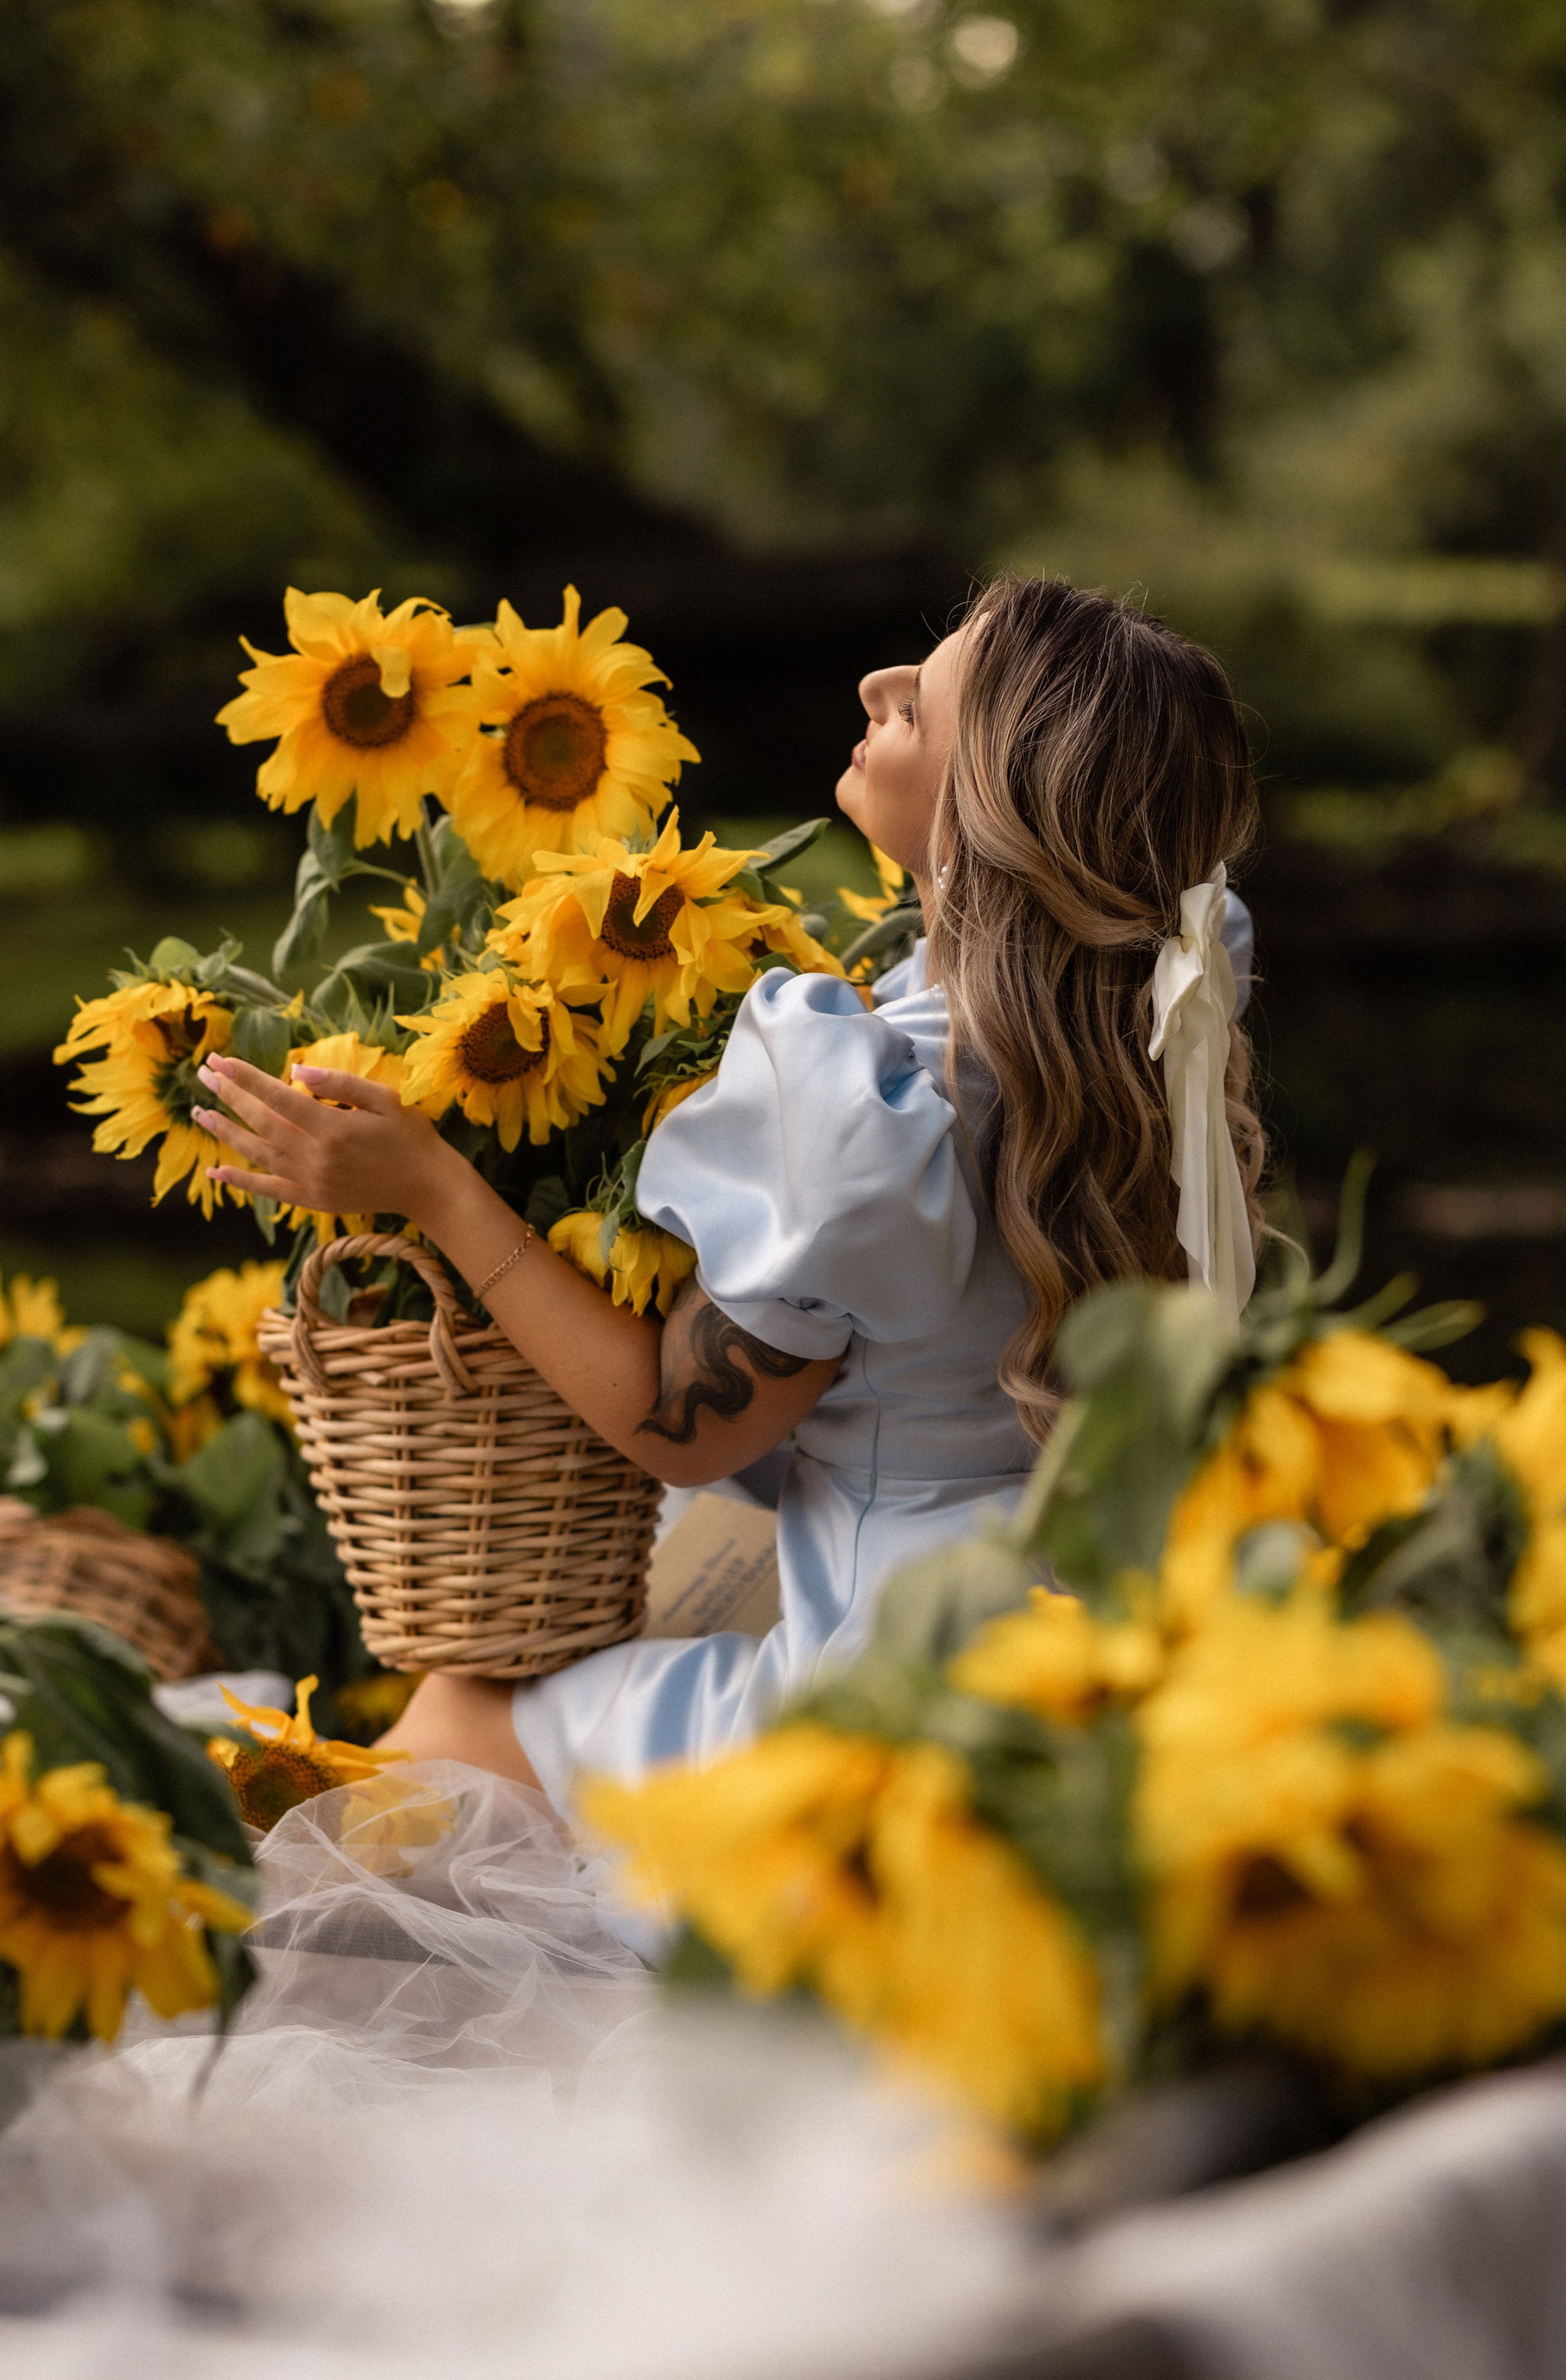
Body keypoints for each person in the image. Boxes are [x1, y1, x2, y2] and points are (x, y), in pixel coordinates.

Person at [192, 575, 1264, 1817]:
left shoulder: (861, 1113)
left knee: (459, 1711)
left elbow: (676, 1422)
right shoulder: (1158, 1034)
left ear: (987, 820)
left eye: (919, 707)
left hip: (886, 1725)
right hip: (1102, 1666)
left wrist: (432, 1186)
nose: (877, 687)